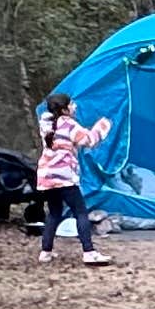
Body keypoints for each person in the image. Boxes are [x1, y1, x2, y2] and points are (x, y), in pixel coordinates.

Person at [34, 89, 113, 264]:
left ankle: (45, 252)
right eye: (71, 104)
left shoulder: (46, 124)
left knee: (54, 212)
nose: (74, 106)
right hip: (64, 176)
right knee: (80, 212)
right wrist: (103, 126)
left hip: (46, 176)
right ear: (64, 109)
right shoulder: (69, 124)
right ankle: (89, 252)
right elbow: (89, 141)